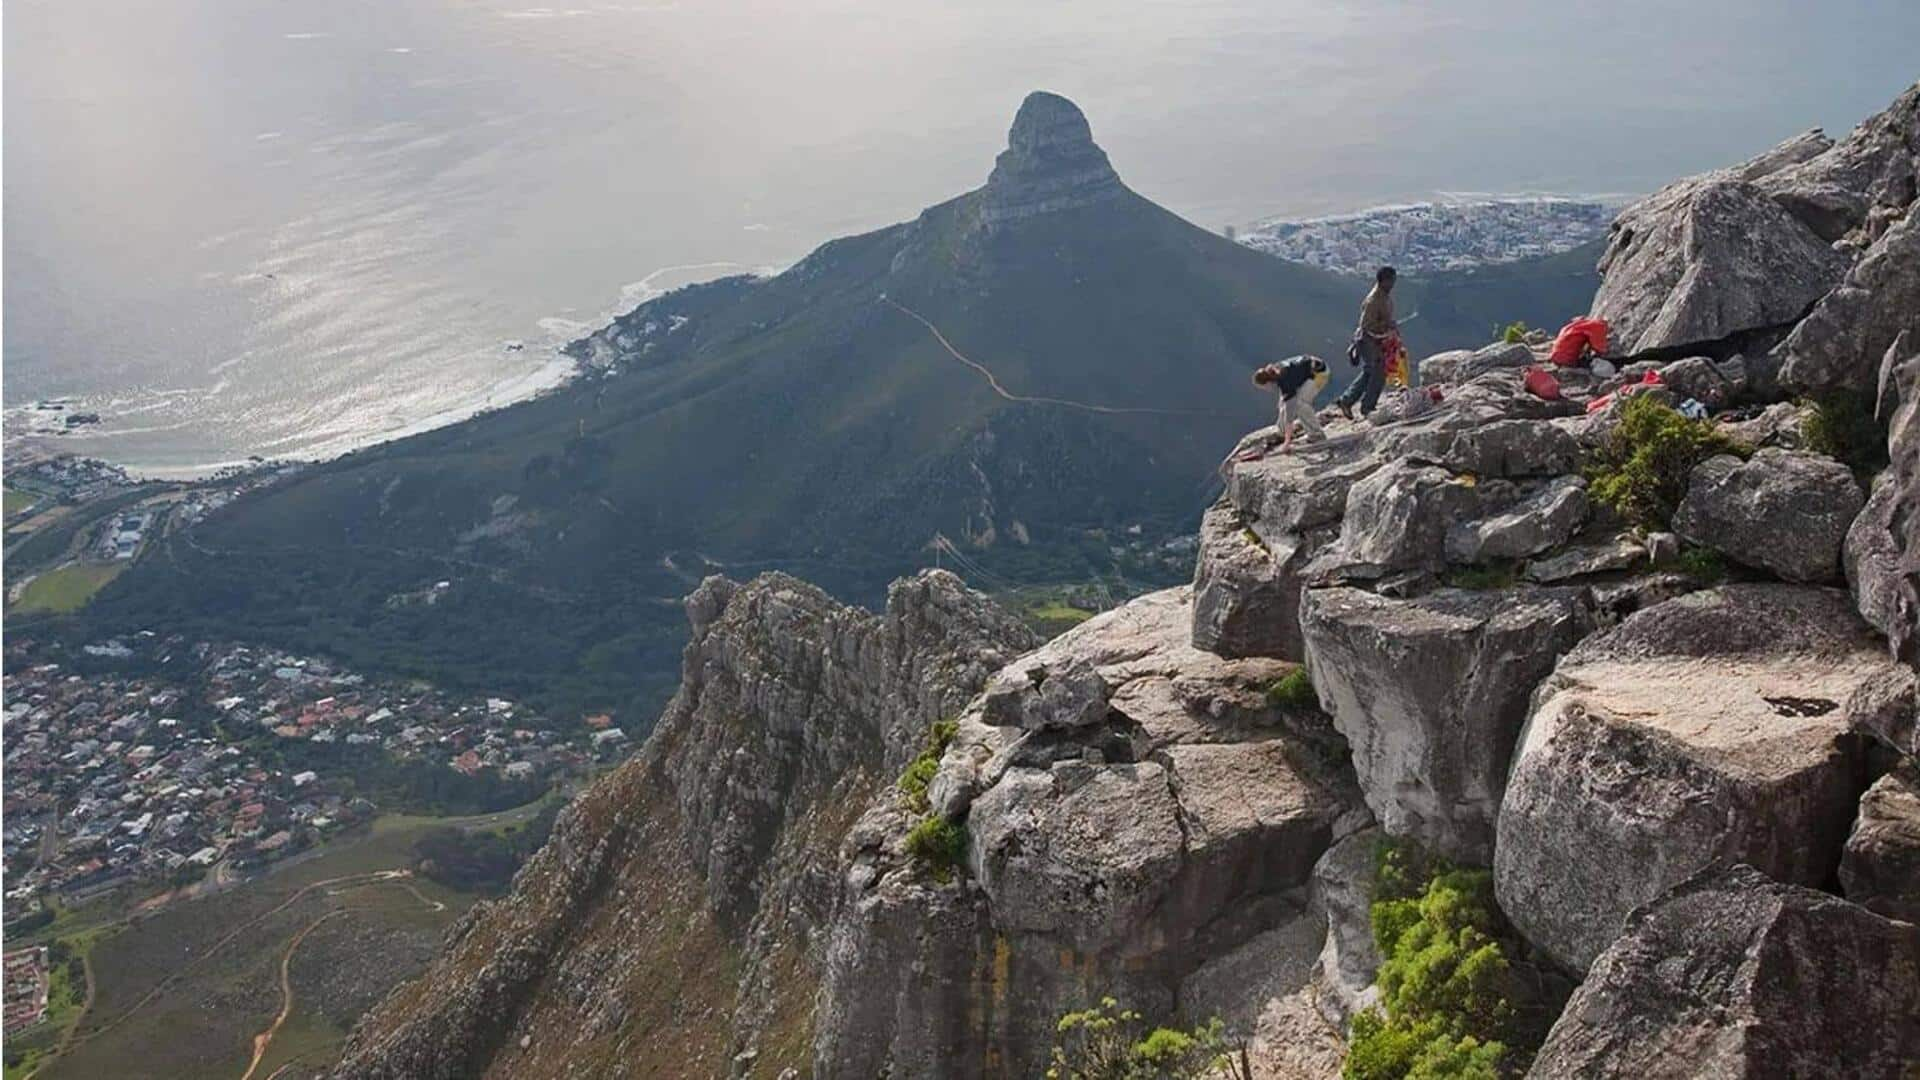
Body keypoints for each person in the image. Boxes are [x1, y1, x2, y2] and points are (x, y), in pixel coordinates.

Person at [1337, 266, 1398, 419]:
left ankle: (1347, 400)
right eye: (1391, 280)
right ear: (1384, 281)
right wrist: (1386, 326)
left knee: (1370, 371)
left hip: (1375, 339)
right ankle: (1368, 407)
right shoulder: (1374, 300)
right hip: (1368, 340)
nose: (1393, 284)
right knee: (1379, 372)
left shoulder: (1383, 295)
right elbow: (1367, 325)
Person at [1254, 354, 1329, 453]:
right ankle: (1282, 431)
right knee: (1283, 402)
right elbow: (1285, 397)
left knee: (1300, 404)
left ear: (1268, 382)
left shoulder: (1285, 380)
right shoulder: (1275, 370)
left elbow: (1290, 416)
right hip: (1311, 367)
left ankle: (1316, 434)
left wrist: (1287, 442)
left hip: (1319, 374)